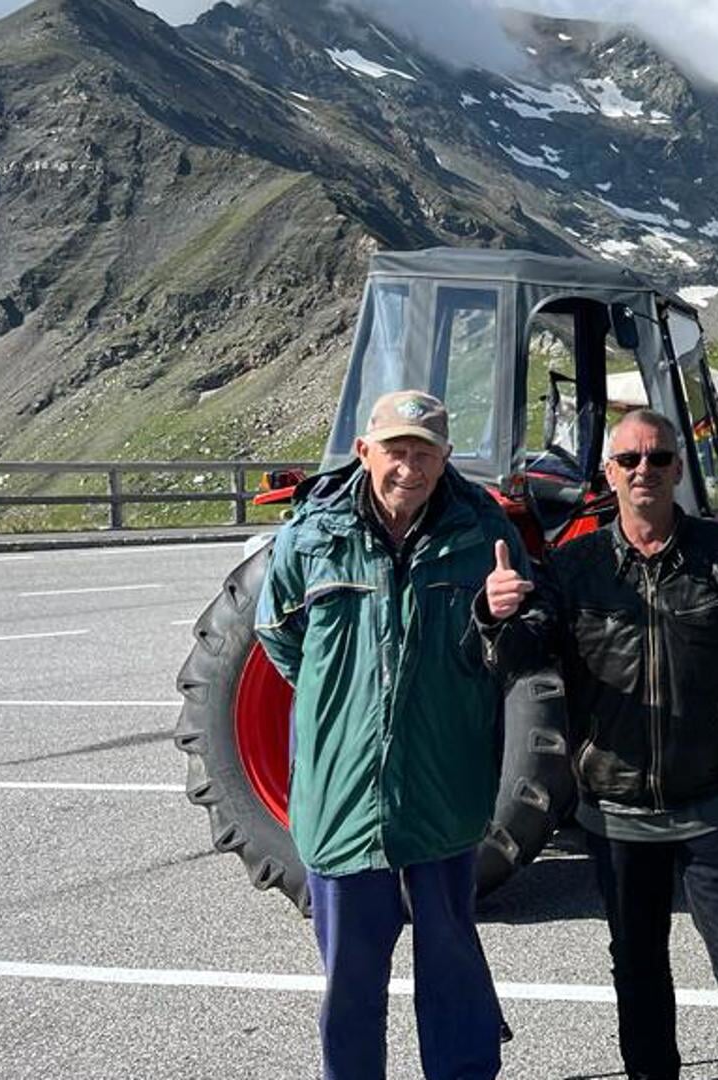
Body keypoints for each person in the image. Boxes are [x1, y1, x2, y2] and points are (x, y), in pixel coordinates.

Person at [479, 407, 718, 1080]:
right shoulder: (576, 566)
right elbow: (518, 656)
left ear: (677, 469)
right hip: (617, 814)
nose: (643, 471)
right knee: (638, 970)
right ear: (609, 472)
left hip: (713, 803)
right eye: (629, 460)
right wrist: (494, 612)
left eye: (657, 458)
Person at [256, 389, 518, 1080]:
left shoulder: (481, 529)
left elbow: (516, 650)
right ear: (365, 452)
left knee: (453, 964)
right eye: (397, 451)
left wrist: (495, 620)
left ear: (445, 458)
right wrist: (338, 704)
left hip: (442, 788)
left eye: (424, 453)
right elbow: (278, 635)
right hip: (343, 800)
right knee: (350, 981)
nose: (411, 468)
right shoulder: (310, 534)